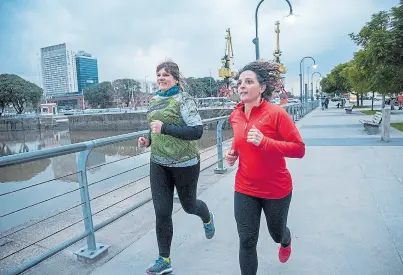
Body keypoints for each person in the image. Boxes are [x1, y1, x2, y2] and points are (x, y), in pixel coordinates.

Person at [225, 60, 305, 275]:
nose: (242, 86)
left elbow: (299, 149)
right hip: (244, 188)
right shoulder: (235, 115)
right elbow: (239, 141)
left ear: (261, 88)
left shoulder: (276, 113)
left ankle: (285, 240)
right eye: (240, 82)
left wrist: (265, 142)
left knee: (276, 233)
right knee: (247, 241)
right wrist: (233, 154)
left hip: (275, 189)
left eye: (248, 81)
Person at [138, 60, 215, 275]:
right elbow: (153, 129)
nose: (161, 77)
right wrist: (148, 140)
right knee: (162, 212)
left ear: (175, 78)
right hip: (159, 163)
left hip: (185, 163)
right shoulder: (154, 100)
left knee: (189, 206)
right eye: (158, 74)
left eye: (166, 74)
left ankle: (207, 216)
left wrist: (165, 128)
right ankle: (164, 259)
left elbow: (196, 131)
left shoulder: (185, 100)